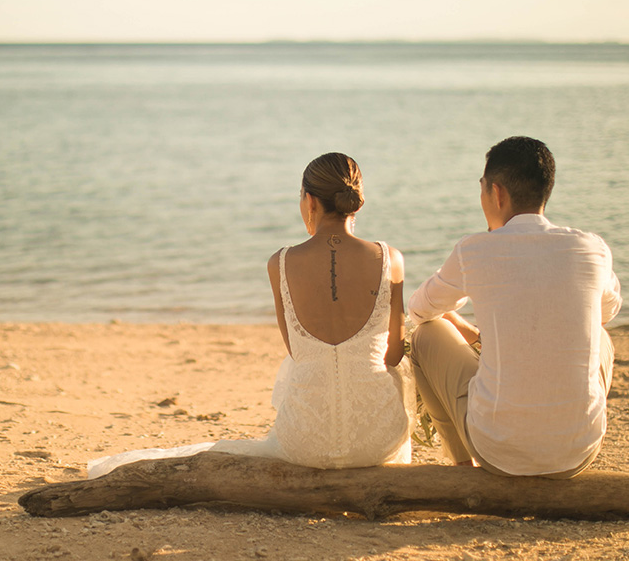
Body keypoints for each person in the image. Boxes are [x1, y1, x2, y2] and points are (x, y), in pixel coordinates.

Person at [87, 152, 414, 478]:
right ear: (357, 202)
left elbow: (296, 352)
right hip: (378, 441)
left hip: (306, 443)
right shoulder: (390, 258)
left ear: (310, 201)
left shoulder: (281, 263)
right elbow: (395, 354)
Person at [407, 136, 621, 479]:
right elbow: (605, 311)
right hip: (579, 452)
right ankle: (569, 422)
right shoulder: (591, 248)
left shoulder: (474, 251)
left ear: (497, 193)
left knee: (425, 336)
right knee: (600, 335)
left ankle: (464, 465)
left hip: (496, 451)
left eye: (481, 187)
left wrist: (462, 324)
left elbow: (418, 311)